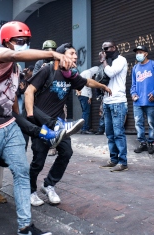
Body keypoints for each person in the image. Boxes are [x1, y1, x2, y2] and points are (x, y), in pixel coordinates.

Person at [0, 21, 73, 235]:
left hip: (8, 128)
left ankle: (25, 227)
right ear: (6, 42)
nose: (23, 46)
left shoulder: (15, 71)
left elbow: (15, 112)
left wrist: (39, 131)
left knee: (22, 172)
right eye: (20, 41)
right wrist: (53, 53)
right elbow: (15, 56)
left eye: (27, 42)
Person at [25, 43, 111, 206]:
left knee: (66, 152)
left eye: (76, 55)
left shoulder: (71, 75)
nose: (75, 57)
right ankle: (30, 190)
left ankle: (49, 185)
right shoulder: (47, 70)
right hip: (41, 122)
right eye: (71, 54)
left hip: (60, 123)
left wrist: (102, 86)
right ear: (60, 55)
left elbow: (87, 82)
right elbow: (29, 91)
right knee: (38, 161)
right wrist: (30, 114)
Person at [97, 40, 128, 172]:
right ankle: (113, 159)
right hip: (107, 101)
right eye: (103, 49)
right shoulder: (108, 63)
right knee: (109, 133)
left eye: (107, 48)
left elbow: (110, 73)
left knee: (118, 133)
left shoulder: (120, 60)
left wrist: (104, 61)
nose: (105, 51)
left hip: (118, 101)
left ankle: (123, 162)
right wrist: (101, 102)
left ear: (114, 47)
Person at [130, 45, 154, 155]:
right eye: (137, 52)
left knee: (151, 123)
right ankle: (142, 142)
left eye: (140, 52)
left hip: (150, 100)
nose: (138, 54)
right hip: (137, 101)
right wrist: (133, 94)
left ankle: (150, 142)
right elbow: (133, 84)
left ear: (146, 53)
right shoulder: (135, 68)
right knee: (138, 123)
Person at [76, 66, 99, 134]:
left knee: (84, 112)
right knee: (86, 112)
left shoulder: (84, 72)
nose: (94, 77)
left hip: (80, 94)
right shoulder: (88, 73)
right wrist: (90, 97)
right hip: (85, 95)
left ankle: (83, 128)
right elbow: (89, 85)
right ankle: (85, 129)